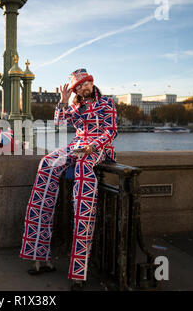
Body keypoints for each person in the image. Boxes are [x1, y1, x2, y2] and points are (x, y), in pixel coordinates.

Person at [19, 68, 117, 289]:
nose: (82, 88)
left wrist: (93, 146)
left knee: (83, 179)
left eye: (85, 84)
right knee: (46, 164)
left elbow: (110, 131)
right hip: (77, 145)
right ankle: (39, 254)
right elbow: (59, 123)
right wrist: (63, 102)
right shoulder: (76, 105)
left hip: (98, 148)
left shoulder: (107, 103)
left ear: (91, 82)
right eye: (78, 87)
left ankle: (79, 272)